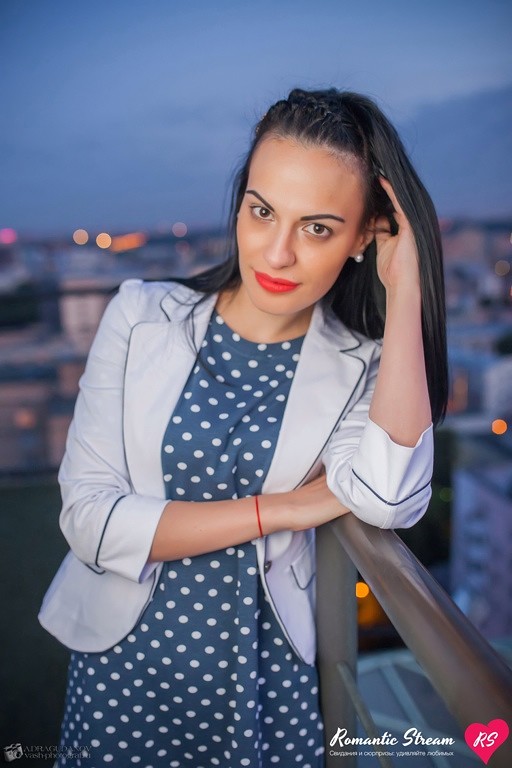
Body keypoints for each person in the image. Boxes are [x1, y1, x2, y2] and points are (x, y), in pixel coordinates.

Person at [39, 87, 447, 768]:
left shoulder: (364, 368)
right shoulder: (141, 316)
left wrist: (405, 288)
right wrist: (283, 509)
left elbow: (388, 497)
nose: (277, 253)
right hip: (127, 670)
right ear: (240, 205)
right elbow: (89, 521)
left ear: (363, 237)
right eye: (262, 212)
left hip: (267, 683)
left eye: (318, 228)